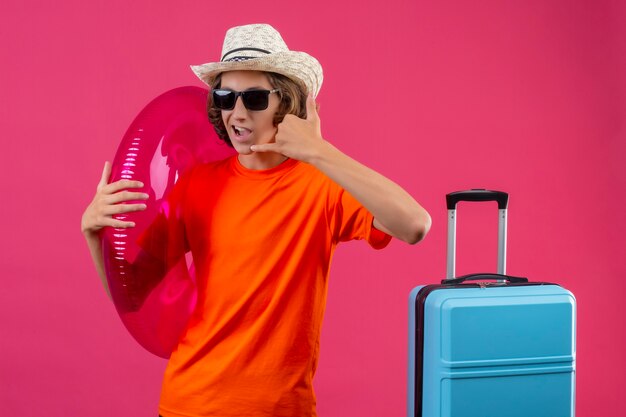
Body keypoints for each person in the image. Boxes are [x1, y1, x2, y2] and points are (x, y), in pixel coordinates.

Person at [81, 23, 431, 417]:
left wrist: (318, 150)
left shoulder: (322, 184)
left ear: (286, 102)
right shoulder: (198, 184)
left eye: (255, 98)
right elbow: (133, 295)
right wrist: (96, 236)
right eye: (226, 97)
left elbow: (414, 223)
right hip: (190, 403)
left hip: (279, 408)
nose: (238, 112)